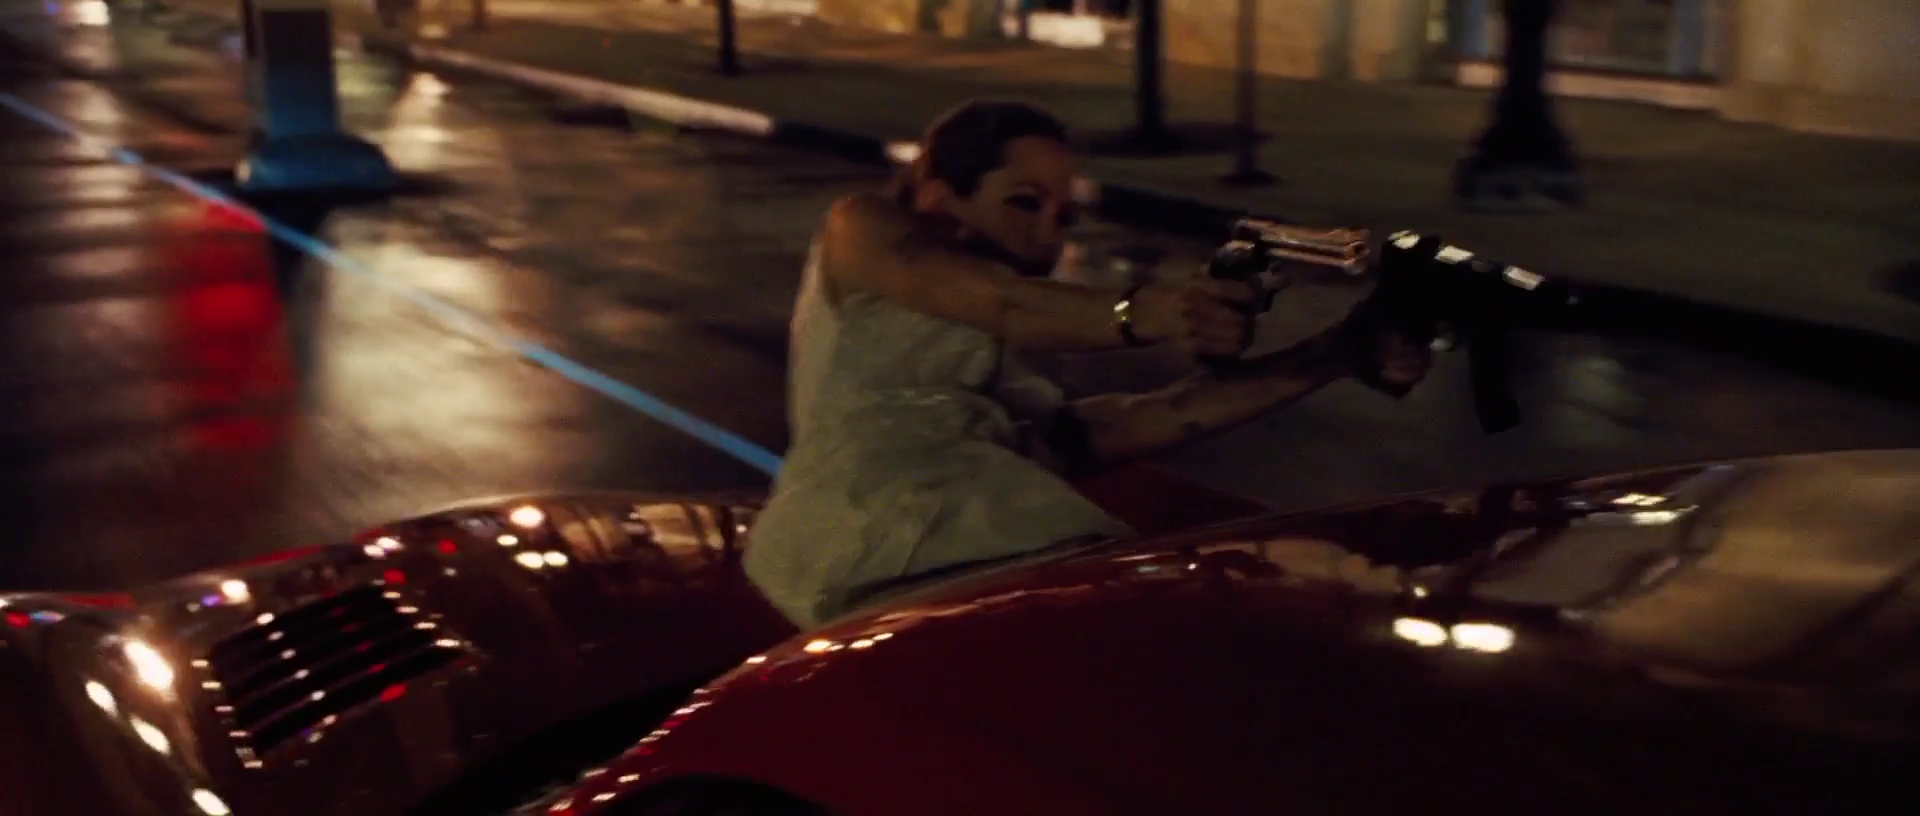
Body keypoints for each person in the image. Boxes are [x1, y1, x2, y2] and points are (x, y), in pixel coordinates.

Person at [745, 99, 1431, 629]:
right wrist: (1156, 312)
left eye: (1064, 215)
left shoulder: (987, 366)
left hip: (982, 548)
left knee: (1310, 588)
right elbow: (1004, 301)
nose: (1047, 233)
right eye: (1023, 202)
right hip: (873, 552)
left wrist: (1339, 351)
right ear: (937, 193)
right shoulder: (862, 231)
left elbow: (1134, 421)